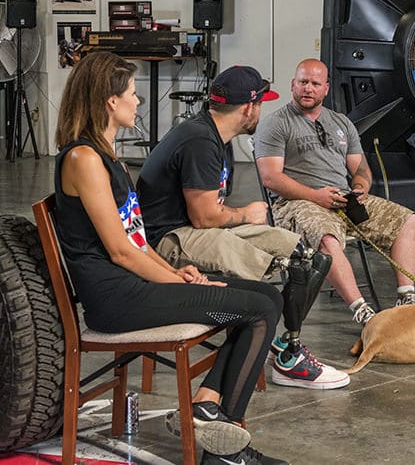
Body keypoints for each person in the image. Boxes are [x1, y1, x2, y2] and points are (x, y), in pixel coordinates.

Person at [53, 52, 286, 465]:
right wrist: (179, 285)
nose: (138, 101)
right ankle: (225, 450)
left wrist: (178, 271)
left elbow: (139, 243)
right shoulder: (83, 159)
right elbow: (121, 252)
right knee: (257, 312)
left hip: (136, 284)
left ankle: (209, 408)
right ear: (110, 101)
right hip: (116, 299)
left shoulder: (106, 156)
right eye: (132, 93)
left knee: (268, 298)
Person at [137, 65, 347, 391]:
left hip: (197, 230)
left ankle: (286, 348)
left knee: (307, 257)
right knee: (274, 268)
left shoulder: (219, 137)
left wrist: (239, 217)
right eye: (261, 103)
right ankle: (285, 355)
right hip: (169, 239)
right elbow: (205, 217)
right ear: (249, 107)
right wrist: (246, 215)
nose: (261, 111)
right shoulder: (200, 140)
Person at [254, 58, 415, 328]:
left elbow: (361, 168)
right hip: (296, 203)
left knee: (407, 219)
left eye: (315, 84)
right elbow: (270, 177)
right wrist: (314, 195)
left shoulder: (341, 123)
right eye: (303, 82)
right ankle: (362, 310)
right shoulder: (276, 124)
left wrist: (360, 188)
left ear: (326, 88)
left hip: (343, 200)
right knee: (327, 238)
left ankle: (407, 297)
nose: (308, 88)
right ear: (292, 85)